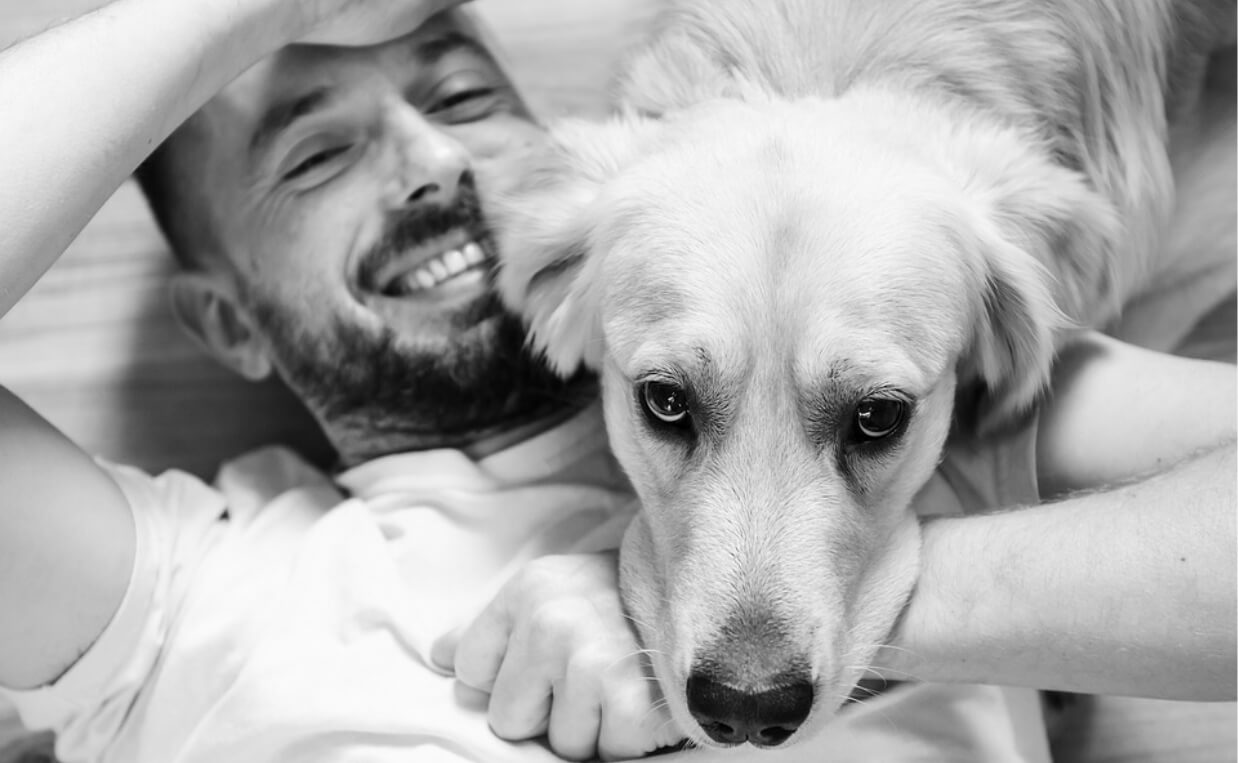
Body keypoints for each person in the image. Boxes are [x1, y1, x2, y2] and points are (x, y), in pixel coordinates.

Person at [0, 0, 1232, 761]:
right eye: (316, 155)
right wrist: (241, 8)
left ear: (562, 249)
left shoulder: (946, 425)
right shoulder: (190, 594)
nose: (434, 162)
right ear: (227, 324)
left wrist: (891, 609)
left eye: (465, 97)